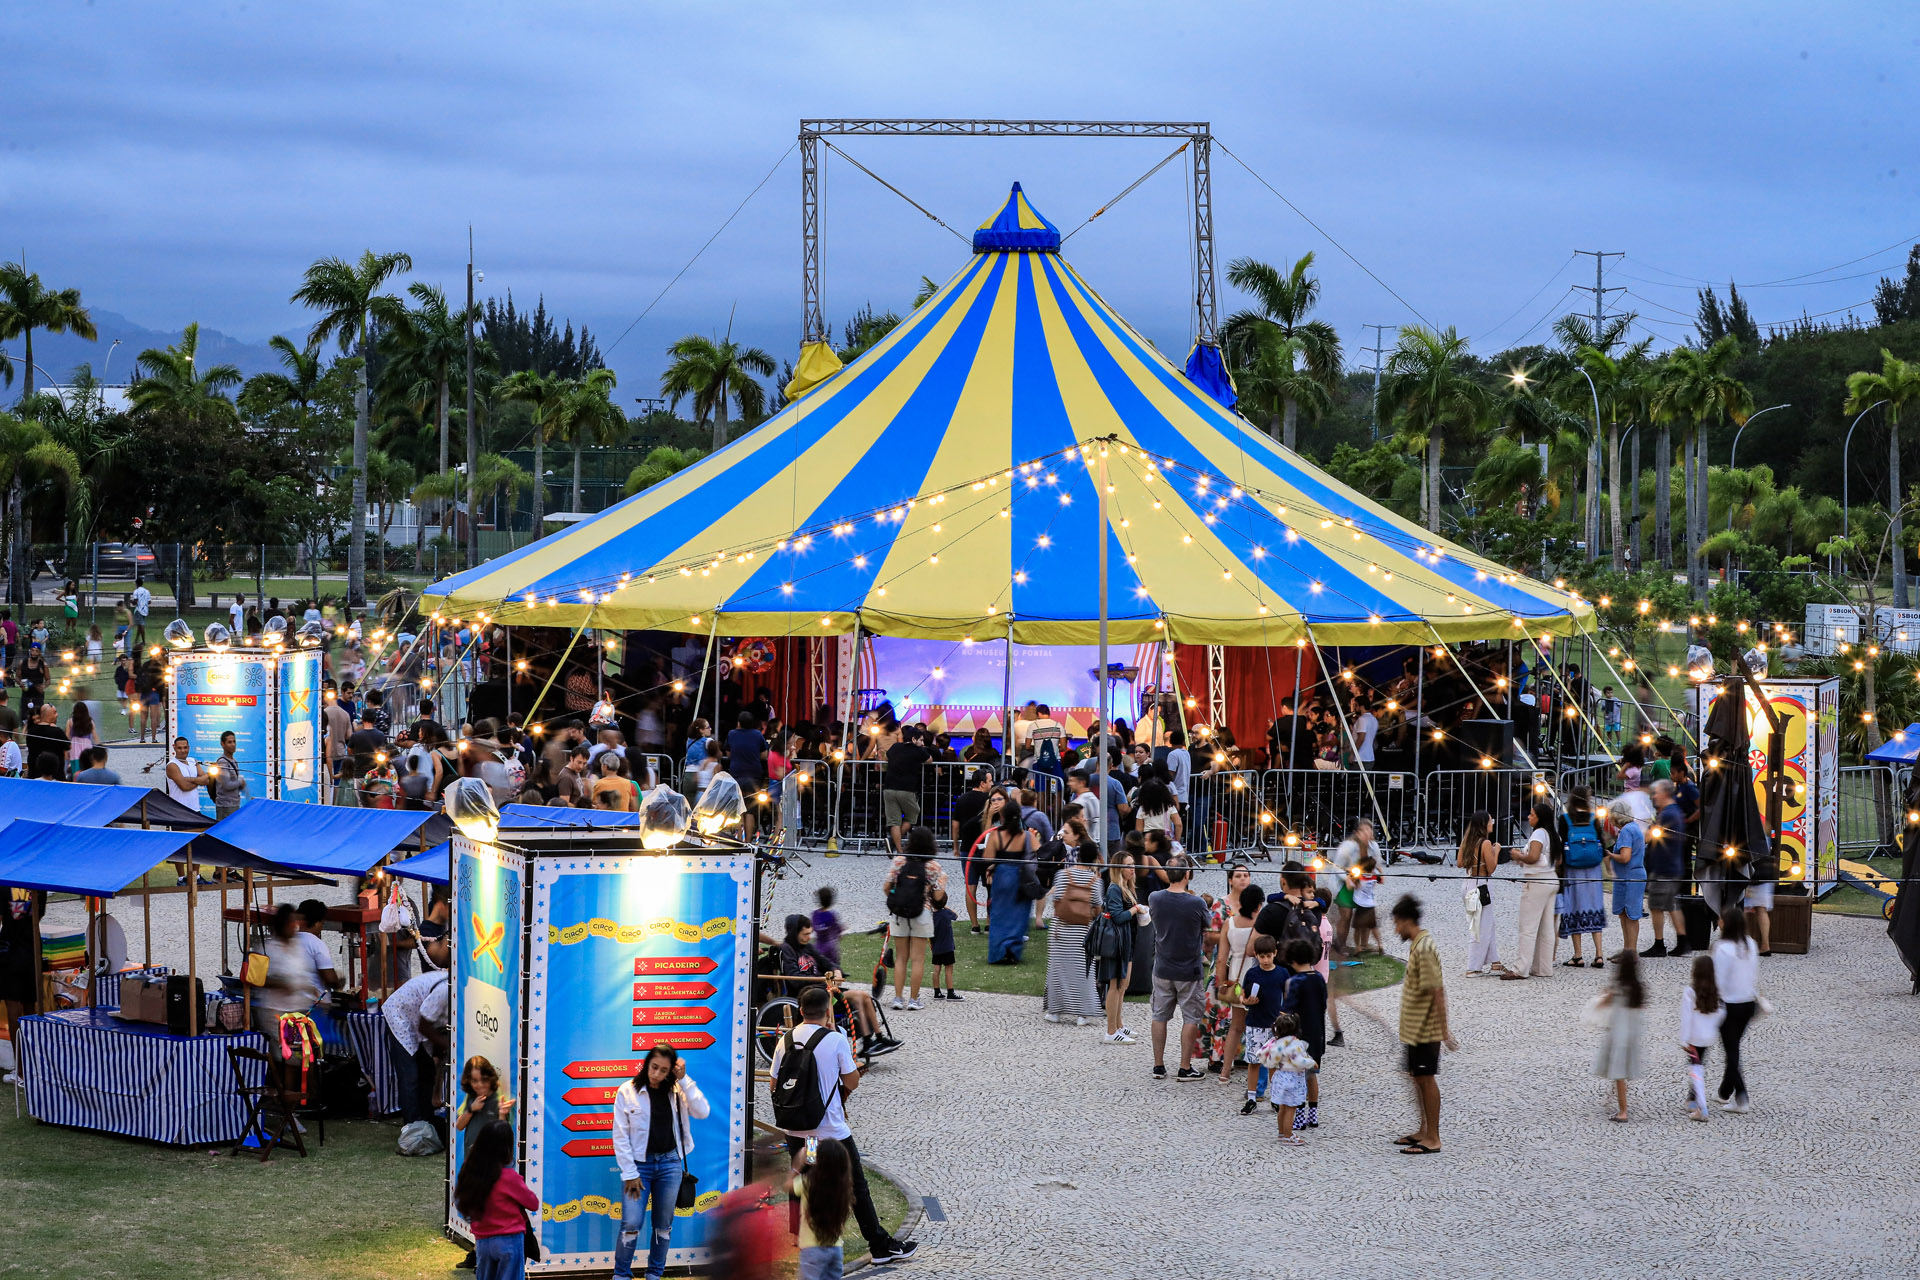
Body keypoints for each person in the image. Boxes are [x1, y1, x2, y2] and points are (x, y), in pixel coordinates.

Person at [769, 986, 918, 1264]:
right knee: (856, 1185)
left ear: (801, 1010)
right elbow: (851, 1081)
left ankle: (800, 1240)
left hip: (803, 1134)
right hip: (831, 1133)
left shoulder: (785, 1039)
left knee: (806, 1179)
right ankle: (879, 1245)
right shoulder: (835, 1039)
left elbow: (774, 1085)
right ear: (827, 1011)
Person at [609, 1045, 710, 1280]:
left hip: (670, 1165)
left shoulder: (676, 1091)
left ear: (670, 1072)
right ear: (646, 1064)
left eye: (664, 1070)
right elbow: (620, 1136)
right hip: (638, 1167)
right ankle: (621, 1275)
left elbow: (703, 1111)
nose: (656, 1074)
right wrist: (630, 1173)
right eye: (654, 1067)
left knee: (663, 1225)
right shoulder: (627, 1091)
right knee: (631, 1223)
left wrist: (684, 1080)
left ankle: (654, 1274)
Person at [1390, 895, 1455, 1154]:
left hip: (1426, 1029)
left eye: (1396, 923)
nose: (1395, 929)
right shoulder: (1417, 945)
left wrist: (1443, 1029)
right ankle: (1423, 1129)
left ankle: (1434, 1138)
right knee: (1416, 1077)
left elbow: (1437, 990)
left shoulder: (1425, 948)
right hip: (1414, 1030)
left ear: (1406, 921)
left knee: (1426, 1079)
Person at [777, 915, 895, 1055]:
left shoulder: (807, 947)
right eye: (805, 934)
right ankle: (868, 1041)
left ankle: (878, 1038)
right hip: (809, 993)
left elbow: (826, 962)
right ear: (794, 933)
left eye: (810, 933)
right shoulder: (786, 949)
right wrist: (822, 979)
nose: (809, 937)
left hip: (824, 988)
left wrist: (836, 971)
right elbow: (794, 978)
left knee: (865, 997)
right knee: (859, 997)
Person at [1147, 855, 1209, 1081]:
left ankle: (1158, 1065)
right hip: (1189, 970)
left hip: (1162, 967)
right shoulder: (1196, 903)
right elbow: (1208, 925)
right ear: (1187, 874)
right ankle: (1184, 1066)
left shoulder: (1154, 898)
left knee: (1159, 1015)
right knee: (1191, 1018)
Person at [453, 1119, 540, 1280]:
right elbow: (533, 1203)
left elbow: (461, 1202)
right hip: (510, 1240)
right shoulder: (510, 1177)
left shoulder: (471, 1174)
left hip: (483, 1241)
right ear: (507, 1148)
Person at [381, 948, 451, 1127]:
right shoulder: (445, 991)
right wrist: (448, 1045)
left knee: (427, 1070)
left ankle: (427, 1119)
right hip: (400, 1013)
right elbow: (424, 1027)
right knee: (409, 1074)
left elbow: (437, 1046)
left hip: (418, 1016)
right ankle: (412, 1126)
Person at [1042, 832, 1103, 1026]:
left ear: (1077, 855)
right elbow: (1098, 906)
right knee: (1083, 972)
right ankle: (1082, 1013)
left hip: (1061, 928)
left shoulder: (1062, 874)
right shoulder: (1095, 881)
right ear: (1094, 858)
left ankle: (1055, 1011)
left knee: (1058, 970)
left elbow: (1056, 898)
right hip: (1083, 930)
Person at [882, 826, 946, 1010]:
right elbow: (939, 897)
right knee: (918, 959)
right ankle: (913, 999)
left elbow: (887, 887)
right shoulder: (933, 866)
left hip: (899, 913)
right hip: (922, 912)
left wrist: (895, 899)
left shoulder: (900, 861)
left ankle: (897, 998)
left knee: (901, 957)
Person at [1503, 797, 1562, 980]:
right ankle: (1543, 968)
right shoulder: (1554, 834)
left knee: (1527, 927)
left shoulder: (1538, 834)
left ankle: (1520, 968)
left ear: (1539, 818)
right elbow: (1559, 860)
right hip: (1551, 879)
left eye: (1532, 814)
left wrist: (1518, 855)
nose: (1528, 817)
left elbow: (1534, 857)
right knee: (1547, 927)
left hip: (1537, 881)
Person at [1711, 904, 1761, 1113]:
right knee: (1733, 1048)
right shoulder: (1750, 944)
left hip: (1729, 1004)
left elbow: (1718, 980)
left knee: (1731, 1051)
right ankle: (1724, 1091)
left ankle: (1741, 1096)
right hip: (1748, 1003)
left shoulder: (1722, 948)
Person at [1211, 882, 1261, 1087]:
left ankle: (1224, 1072)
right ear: (1259, 904)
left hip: (1237, 978)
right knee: (1262, 1026)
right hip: (1258, 976)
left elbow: (1221, 958)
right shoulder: (1261, 923)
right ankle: (1260, 1073)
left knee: (1235, 1027)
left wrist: (1221, 983)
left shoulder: (1229, 924)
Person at [1592, 950, 1648, 1122]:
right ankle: (1612, 1099)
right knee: (1619, 1071)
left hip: (1619, 1036)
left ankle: (1622, 1111)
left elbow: (1603, 1002)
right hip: (1631, 1036)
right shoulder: (1638, 989)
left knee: (1619, 1074)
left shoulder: (1619, 988)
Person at [1280, 936, 1329, 1129]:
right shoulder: (1319, 979)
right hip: (1317, 1034)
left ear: (1292, 960)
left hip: (1298, 1038)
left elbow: (1287, 1011)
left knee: (1297, 1077)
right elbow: (1323, 1005)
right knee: (1311, 1074)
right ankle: (1313, 1114)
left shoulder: (1295, 982)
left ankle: (1299, 1116)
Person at [1556, 788, 1609, 967]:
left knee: (1574, 907)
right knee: (1594, 906)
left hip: (1573, 869)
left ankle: (1578, 955)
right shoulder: (1594, 819)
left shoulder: (1565, 819)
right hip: (1593, 870)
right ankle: (1599, 954)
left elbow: (1561, 845)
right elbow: (1602, 842)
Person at [789, 1136, 854, 1280]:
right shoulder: (843, 1187)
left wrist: (798, 1164)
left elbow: (787, 1185)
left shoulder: (807, 1183)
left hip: (811, 1250)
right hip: (836, 1248)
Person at [978, 795, 1034, 964]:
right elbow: (1037, 853)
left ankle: (998, 951)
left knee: (1000, 914)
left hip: (1002, 875)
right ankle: (1013, 950)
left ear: (1003, 816)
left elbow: (987, 858)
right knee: (1018, 914)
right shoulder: (1026, 836)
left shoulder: (996, 835)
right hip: (1019, 875)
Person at [1641, 778, 1691, 958]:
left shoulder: (1668, 814)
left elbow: (1649, 837)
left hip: (1664, 867)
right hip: (1671, 865)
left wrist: (1648, 830)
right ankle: (1683, 941)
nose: (1654, 797)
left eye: (1656, 793)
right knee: (1671, 904)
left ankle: (1659, 943)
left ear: (1665, 794)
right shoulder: (1675, 811)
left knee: (1656, 906)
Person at [1235, 933, 1285, 1112]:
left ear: (1275, 953)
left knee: (1273, 1064)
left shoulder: (1281, 973)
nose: (1265, 960)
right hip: (1255, 1024)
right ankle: (1252, 1097)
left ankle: (1276, 1097)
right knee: (1254, 1062)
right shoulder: (1252, 973)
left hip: (1274, 1026)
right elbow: (1242, 994)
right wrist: (1245, 1001)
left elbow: (1286, 995)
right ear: (1256, 955)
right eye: (1262, 956)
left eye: (1268, 956)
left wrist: (1285, 1012)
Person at [1680, 955, 1726, 1123]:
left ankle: (1701, 1106)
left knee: (1696, 1070)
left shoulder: (1690, 992)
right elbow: (1722, 1012)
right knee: (1698, 1066)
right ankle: (1692, 1098)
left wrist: (1684, 1040)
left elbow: (1686, 1018)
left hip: (1694, 1039)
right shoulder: (1717, 991)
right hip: (1708, 1037)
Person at [1457, 811, 1504, 976]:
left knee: (1487, 924)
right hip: (1481, 885)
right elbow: (1491, 868)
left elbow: (1460, 863)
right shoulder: (1485, 843)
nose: (1493, 823)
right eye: (1491, 820)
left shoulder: (1467, 841)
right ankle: (1474, 966)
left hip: (1468, 883)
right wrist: (1495, 851)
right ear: (1485, 824)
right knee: (1480, 927)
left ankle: (1495, 961)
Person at [949, 770, 993, 935]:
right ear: (982, 783)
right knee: (990, 885)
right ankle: (988, 922)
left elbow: (955, 825)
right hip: (986, 848)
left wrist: (955, 846)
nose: (992, 784)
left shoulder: (961, 799)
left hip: (967, 848)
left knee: (970, 887)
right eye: (990, 781)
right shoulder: (989, 800)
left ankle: (974, 925)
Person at [1606, 796, 1647, 957]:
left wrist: (1610, 854)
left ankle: (1631, 952)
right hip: (1630, 876)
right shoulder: (1634, 828)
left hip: (1629, 878)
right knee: (1625, 913)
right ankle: (1627, 950)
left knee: (1630, 915)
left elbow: (1625, 857)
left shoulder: (1626, 831)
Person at [881, 726, 931, 852]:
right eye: (921, 740)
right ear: (914, 740)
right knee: (913, 814)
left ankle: (897, 848)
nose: (922, 743)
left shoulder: (895, 747)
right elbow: (929, 760)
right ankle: (894, 844)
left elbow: (887, 757)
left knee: (894, 821)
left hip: (889, 788)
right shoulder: (918, 750)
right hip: (907, 789)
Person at [293, 898, 344, 999]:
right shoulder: (316, 944)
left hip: (293, 1001)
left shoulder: (290, 940)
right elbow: (330, 979)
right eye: (322, 923)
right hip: (314, 1004)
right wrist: (340, 982)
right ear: (316, 922)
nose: (321, 927)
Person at [453, 1055, 515, 1132]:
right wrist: (471, 1109)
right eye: (474, 1081)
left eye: (484, 1080)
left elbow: (503, 1133)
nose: (480, 1085)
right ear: (468, 1081)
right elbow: (459, 1126)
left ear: (491, 1078)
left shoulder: (499, 1099)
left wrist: (502, 1114)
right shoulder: (471, 1096)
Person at [928, 887, 961, 1002]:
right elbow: (956, 916)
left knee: (936, 969)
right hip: (947, 946)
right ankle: (950, 992)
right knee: (949, 969)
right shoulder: (946, 913)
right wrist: (945, 907)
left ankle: (937, 991)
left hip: (936, 947)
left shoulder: (931, 916)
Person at [210, 729, 247, 819]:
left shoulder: (233, 761)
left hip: (234, 804)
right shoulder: (222, 762)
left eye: (234, 741)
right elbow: (227, 785)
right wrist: (240, 782)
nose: (233, 744)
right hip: (225, 806)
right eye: (229, 742)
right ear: (222, 744)